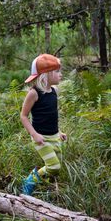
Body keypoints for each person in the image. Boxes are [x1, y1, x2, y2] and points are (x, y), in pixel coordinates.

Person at [20, 53, 67, 195]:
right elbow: (23, 116)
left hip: (54, 136)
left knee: (55, 169)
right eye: (57, 71)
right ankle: (30, 180)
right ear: (46, 74)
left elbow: (51, 116)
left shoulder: (54, 91)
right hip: (41, 138)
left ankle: (46, 189)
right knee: (54, 167)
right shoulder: (34, 94)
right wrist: (34, 135)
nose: (61, 75)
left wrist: (59, 132)